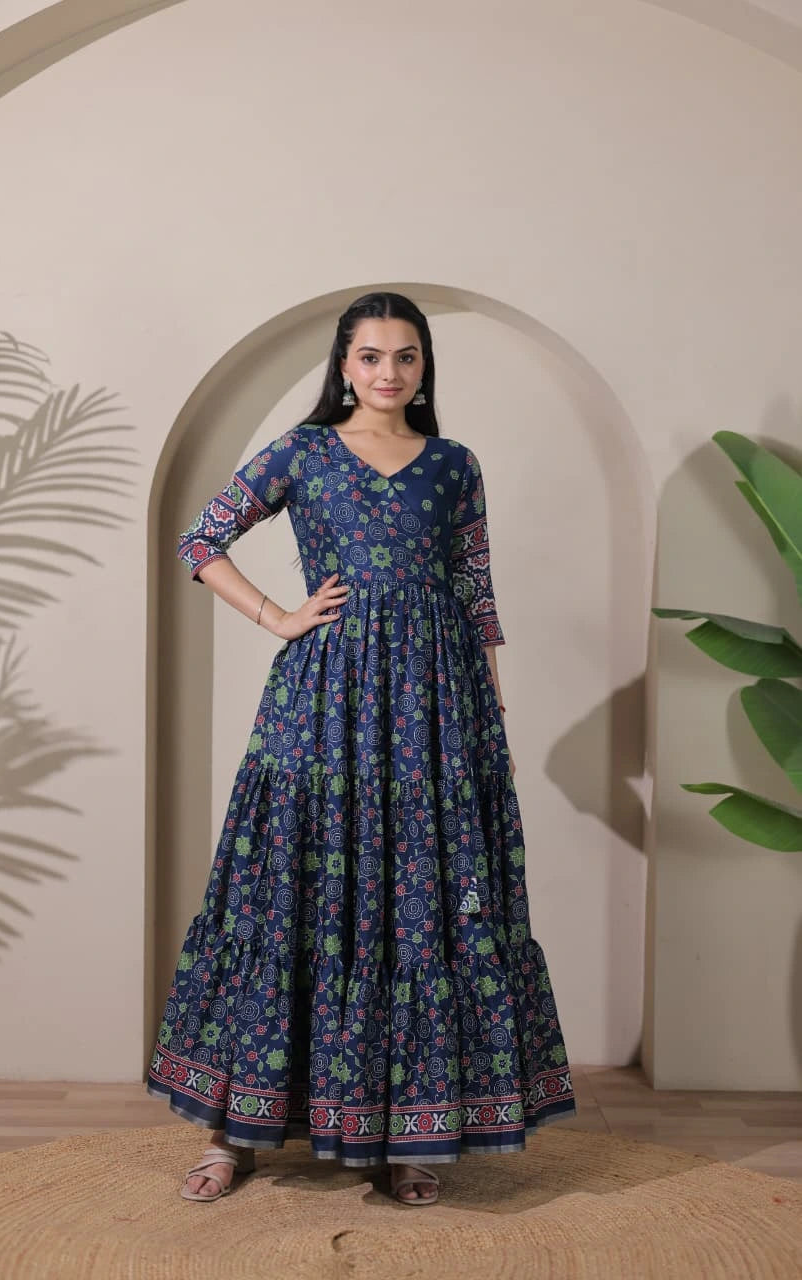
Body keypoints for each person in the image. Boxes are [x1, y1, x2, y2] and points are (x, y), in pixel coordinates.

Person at [146, 291, 576, 1206]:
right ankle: (234, 1131)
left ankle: (407, 1136)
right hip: (326, 701)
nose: (389, 373)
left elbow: (475, 589)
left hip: (434, 708)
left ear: (424, 369)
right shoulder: (301, 452)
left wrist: (485, 711)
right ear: (343, 364)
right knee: (288, 897)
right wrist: (278, 616)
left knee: (414, 905)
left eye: (406, 358)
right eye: (372, 356)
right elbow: (201, 538)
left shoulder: (454, 464)